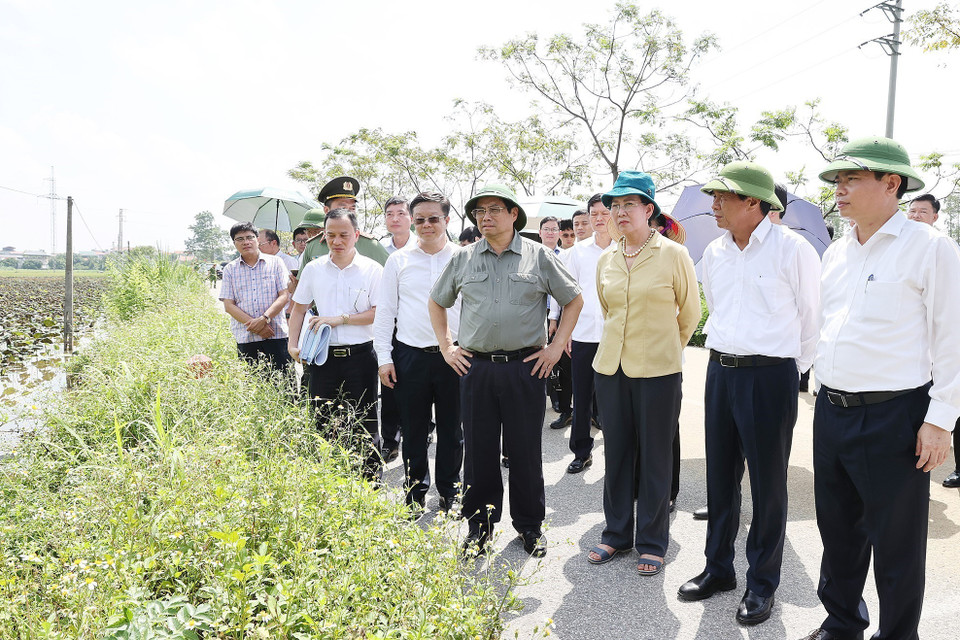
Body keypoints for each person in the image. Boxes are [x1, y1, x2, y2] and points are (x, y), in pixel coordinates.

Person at [799, 137, 960, 640]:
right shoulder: (838, 252)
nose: (839, 191)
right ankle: (842, 622)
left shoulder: (930, 248)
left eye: (851, 180)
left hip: (895, 415)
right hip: (832, 410)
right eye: (836, 182)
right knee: (838, 531)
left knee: (897, 543)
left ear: (892, 184)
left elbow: (953, 337)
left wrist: (940, 420)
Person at [677, 162, 820, 626]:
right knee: (720, 478)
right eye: (714, 197)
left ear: (754, 203)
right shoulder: (715, 253)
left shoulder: (792, 250)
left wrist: (785, 371)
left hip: (770, 377)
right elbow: (714, 311)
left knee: (768, 484)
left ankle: (762, 583)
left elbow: (811, 320)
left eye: (724, 198)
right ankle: (718, 569)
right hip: (721, 370)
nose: (714, 205)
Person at [429, 184, 583, 558]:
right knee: (480, 453)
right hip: (476, 368)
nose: (485, 217)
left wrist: (556, 346)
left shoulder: (539, 256)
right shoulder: (464, 258)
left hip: (525, 369)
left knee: (525, 451)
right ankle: (478, 527)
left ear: (513, 214)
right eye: (479, 212)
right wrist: (446, 346)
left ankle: (529, 527)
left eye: (494, 209)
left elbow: (573, 300)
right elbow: (437, 302)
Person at [586, 171, 699, 577]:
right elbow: (607, 310)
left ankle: (652, 541)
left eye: (628, 204)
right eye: (613, 206)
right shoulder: (607, 258)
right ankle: (616, 532)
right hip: (610, 368)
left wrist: (663, 349)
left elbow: (689, 315)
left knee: (654, 454)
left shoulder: (673, 254)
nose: (619, 212)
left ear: (648, 210)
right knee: (617, 452)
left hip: (659, 372)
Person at [374, 192, 463, 514]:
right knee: (413, 430)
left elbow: (471, 309)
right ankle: (414, 492)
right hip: (409, 356)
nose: (427, 225)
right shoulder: (398, 261)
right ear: (413, 221)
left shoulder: (462, 258)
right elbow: (385, 312)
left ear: (447, 220)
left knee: (453, 430)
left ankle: (450, 491)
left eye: (434, 218)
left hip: (454, 357)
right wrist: (384, 358)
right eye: (421, 219)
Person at [288, 208, 384, 482]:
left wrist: (340, 319)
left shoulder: (372, 270)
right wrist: (292, 345)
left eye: (343, 235)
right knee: (322, 421)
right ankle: (329, 483)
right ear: (322, 237)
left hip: (361, 358)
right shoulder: (314, 269)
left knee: (364, 425)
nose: (337, 241)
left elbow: (379, 312)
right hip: (322, 358)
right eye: (330, 235)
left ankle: (369, 485)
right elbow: (298, 309)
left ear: (356, 235)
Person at [548, 193, 613, 474]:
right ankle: (581, 452)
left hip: (616, 336)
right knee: (582, 395)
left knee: (615, 400)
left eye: (604, 213)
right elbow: (566, 296)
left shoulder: (625, 249)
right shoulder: (576, 253)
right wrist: (565, 332)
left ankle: (619, 457)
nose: (599, 219)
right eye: (594, 214)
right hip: (585, 334)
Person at [906, 194, 959, 488]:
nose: (914, 215)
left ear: (935, 217)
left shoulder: (941, 247)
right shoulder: (900, 250)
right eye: (911, 210)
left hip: (946, 348)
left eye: (921, 211)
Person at [219, 222, 291, 371]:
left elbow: (283, 296)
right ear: (234, 243)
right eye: (240, 239)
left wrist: (264, 319)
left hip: (276, 334)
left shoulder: (276, 263)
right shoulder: (230, 270)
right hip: (247, 337)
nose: (246, 242)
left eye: (249, 237)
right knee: (254, 386)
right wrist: (257, 327)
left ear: (257, 240)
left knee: (285, 384)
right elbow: (229, 305)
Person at [377, 195, 412, 463]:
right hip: (390, 326)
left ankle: (423, 431)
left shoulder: (425, 246)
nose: (395, 218)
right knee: (391, 387)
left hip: (420, 327)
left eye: (401, 213)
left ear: (410, 217)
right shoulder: (379, 251)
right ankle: (391, 441)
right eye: (390, 214)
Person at [539, 216, 573, 420]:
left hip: (558, 314)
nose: (550, 232)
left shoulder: (566, 256)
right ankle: (547, 398)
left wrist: (554, 318)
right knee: (540, 357)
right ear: (540, 233)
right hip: (536, 314)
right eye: (546, 229)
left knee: (561, 359)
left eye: (554, 229)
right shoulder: (532, 255)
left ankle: (562, 402)